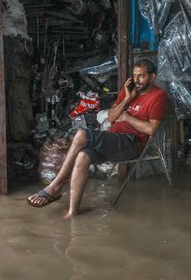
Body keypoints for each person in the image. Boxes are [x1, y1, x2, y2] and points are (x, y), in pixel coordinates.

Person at [27, 59, 169, 217]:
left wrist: (128, 118)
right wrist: (128, 98)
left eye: (141, 76)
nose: (136, 80)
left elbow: (151, 129)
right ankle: (72, 212)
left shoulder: (158, 96)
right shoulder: (129, 90)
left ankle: (55, 186)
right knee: (83, 156)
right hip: (113, 138)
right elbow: (111, 117)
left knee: (82, 134)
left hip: (131, 143)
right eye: (134, 76)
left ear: (152, 77)